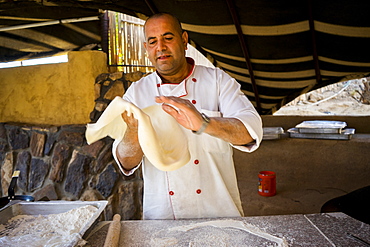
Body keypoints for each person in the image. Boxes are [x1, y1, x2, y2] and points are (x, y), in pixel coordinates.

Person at [112, 12, 263, 220]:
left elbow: (251, 131)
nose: (161, 47)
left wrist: (204, 123)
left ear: (184, 40)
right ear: (147, 49)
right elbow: (126, 162)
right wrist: (133, 131)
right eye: (153, 41)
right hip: (163, 218)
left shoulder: (218, 81)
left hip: (220, 214)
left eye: (168, 38)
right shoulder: (137, 94)